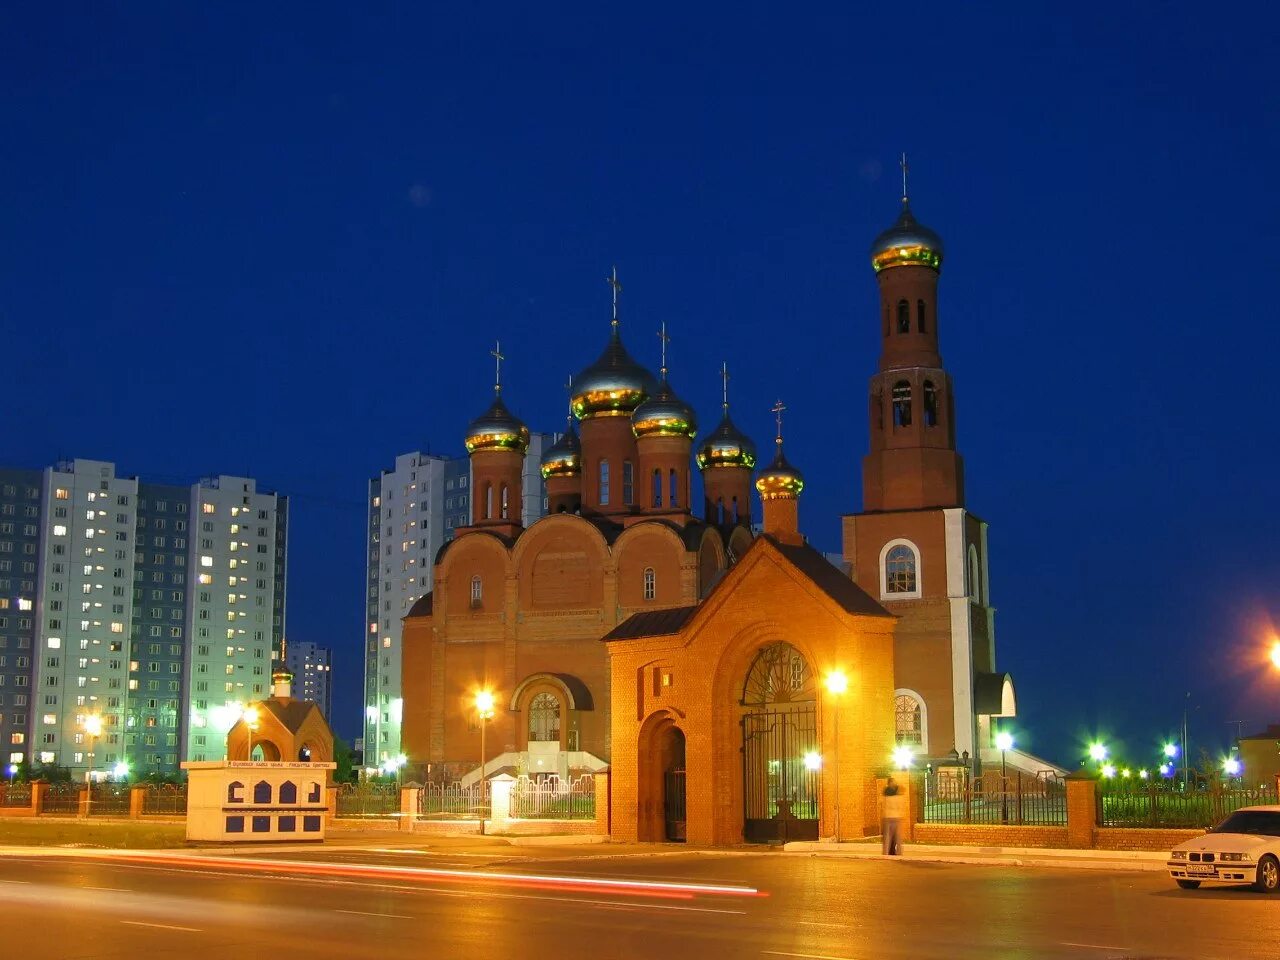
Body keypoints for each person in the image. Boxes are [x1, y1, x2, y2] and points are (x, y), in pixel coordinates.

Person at [882, 776, 906, 856]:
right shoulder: (898, 796)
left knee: (888, 837)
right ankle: (899, 853)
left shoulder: (885, 794)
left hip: (888, 817)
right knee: (898, 837)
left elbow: (883, 805)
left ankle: (886, 853)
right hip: (895, 817)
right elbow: (900, 805)